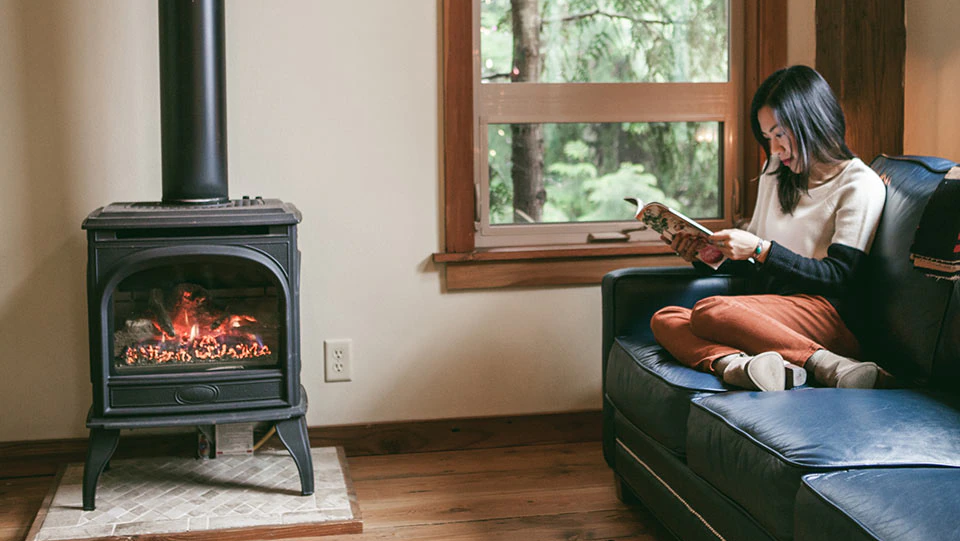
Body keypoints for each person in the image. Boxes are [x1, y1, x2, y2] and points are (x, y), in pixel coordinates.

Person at [650, 65, 887, 392]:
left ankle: (828, 362)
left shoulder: (860, 185)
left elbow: (840, 277)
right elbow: (754, 267)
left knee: (709, 310)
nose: (774, 149)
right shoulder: (775, 172)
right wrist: (704, 254)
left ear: (811, 123)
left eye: (779, 134)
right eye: (767, 138)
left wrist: (761, 249)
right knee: (666, 318)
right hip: (773, 309)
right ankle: (740, 366)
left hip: (829, 314)